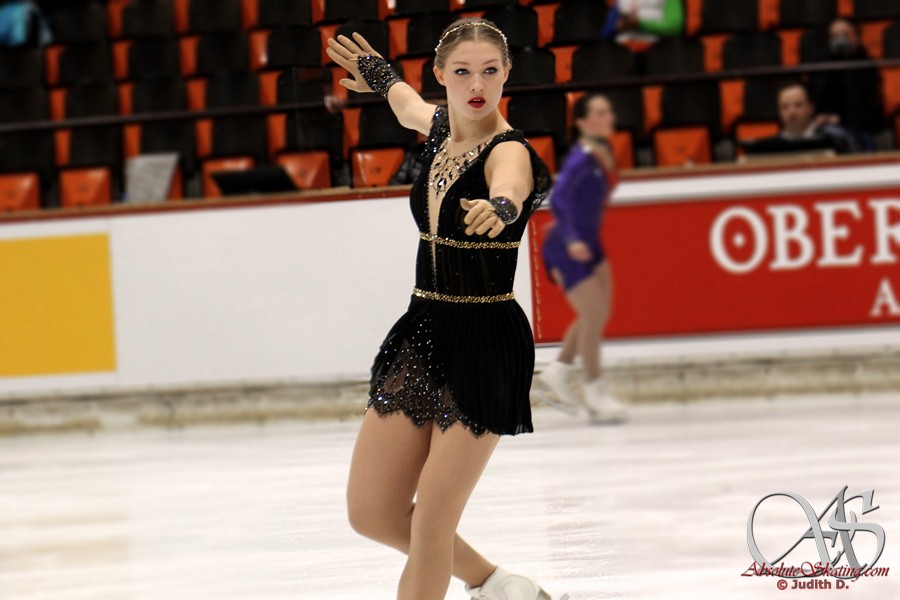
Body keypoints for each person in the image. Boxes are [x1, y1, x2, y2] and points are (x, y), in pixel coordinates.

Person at [326, 18, 554, 600]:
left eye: (490, 71)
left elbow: (512, 183)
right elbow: (407, 105)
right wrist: (379, 75)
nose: (477, 85)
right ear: (441, 74)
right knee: (372, 512)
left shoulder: (509, 151)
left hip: (486, 341)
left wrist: (502, 209)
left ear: (506, 73)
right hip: (425, 330)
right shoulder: (439, 129)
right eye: (462, 72)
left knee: (431, 521)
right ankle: (498, 584)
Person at [537, 93, 628, 425]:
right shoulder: (581, 158)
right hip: (568, 245)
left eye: (608, 111)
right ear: (582, 122)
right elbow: (560, 198)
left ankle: (560, 368)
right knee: (593, 314)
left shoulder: (604, 152)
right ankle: (594, 390)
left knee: (598, 313)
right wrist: (572, 237)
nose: (608, 117)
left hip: (590, 241)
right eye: (600, 113)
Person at [808, 18, 884, 150]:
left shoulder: (867, 68)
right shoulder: (821, 67)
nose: (840, 40)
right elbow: (815, 101)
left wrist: (840, 119)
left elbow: (871, 111)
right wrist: (822, 118)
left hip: (861, 129)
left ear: (857, 37)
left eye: (846, 35)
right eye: (835, 36)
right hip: (825, 129)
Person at [776, 82, 859, 153]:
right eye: (785, 107)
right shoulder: (773, 146)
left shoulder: (836, 140)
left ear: (811, 107)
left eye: (798, 105)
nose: (792, 112)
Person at [602, 0, 684, 43]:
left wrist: (640, 24)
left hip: (657, 49)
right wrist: (618, 26)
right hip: (624, 48)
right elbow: (606, 33)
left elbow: (675, 26)